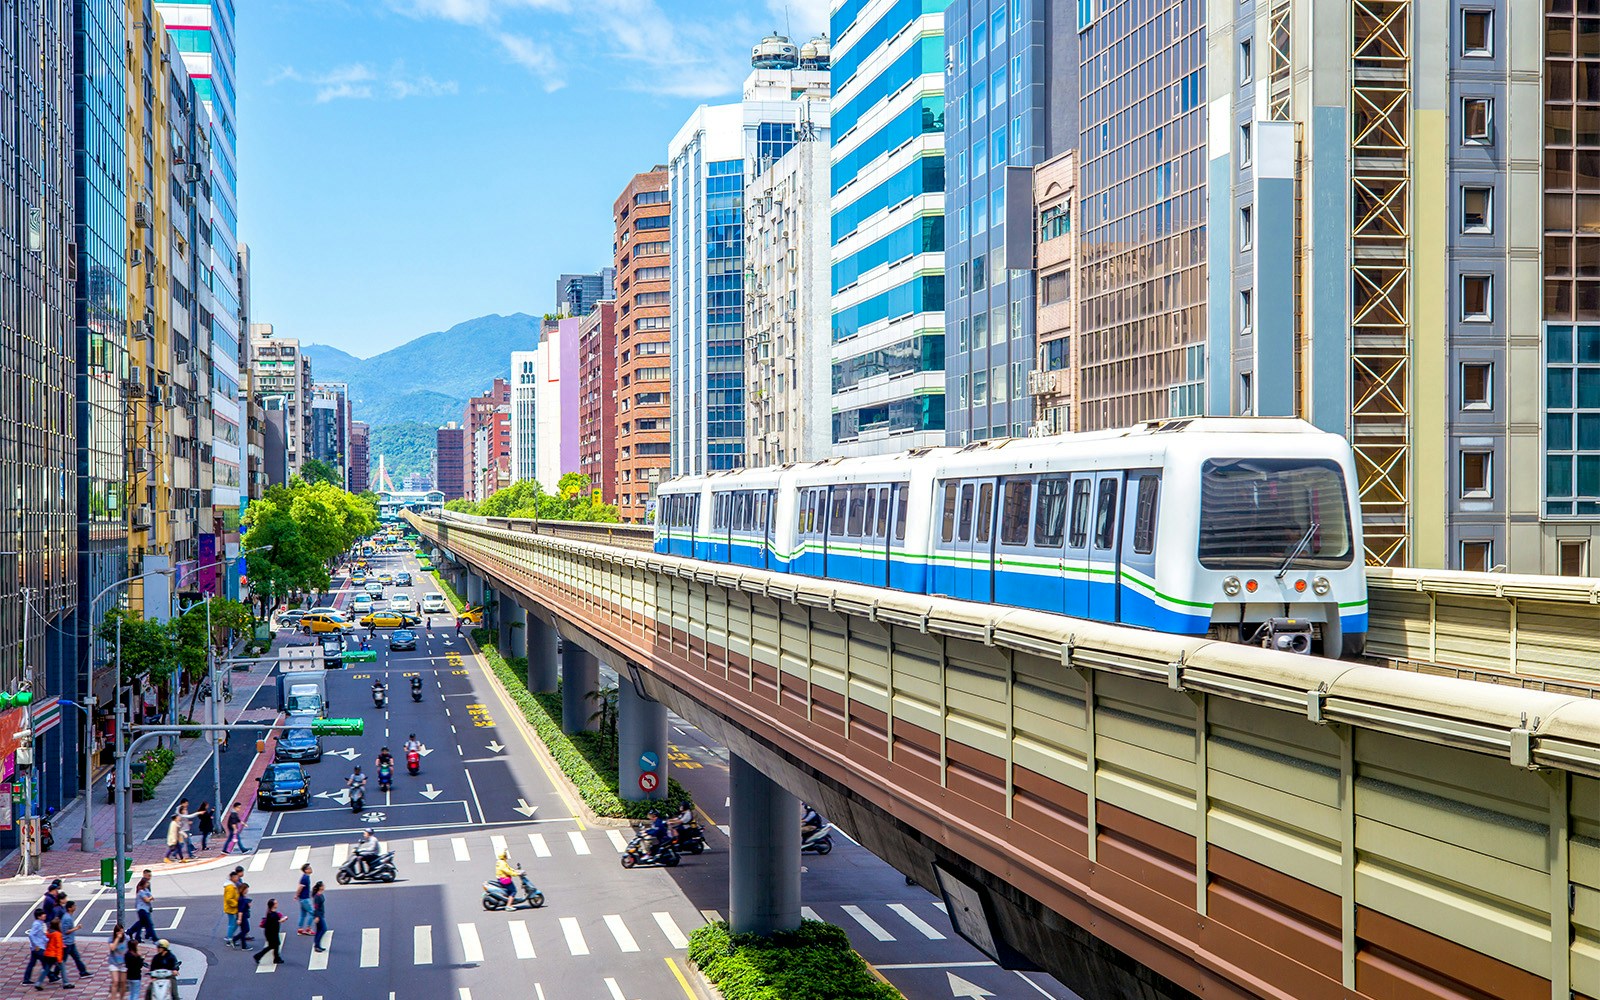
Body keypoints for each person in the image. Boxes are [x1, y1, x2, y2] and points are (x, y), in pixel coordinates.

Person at [60, 901, 90, 981]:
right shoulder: (67, 918)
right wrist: (77, 928)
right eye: (73, 906)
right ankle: (54, 975)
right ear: (69, 908)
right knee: (62, 960)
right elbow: (65, 931)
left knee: (76, 957)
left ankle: (83, 971)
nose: (75, 907)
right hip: (67, 943)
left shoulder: (68, 916)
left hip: (70, 942)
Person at [254, 901, 285, 966]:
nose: (277, 904)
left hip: (272, 932)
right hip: (271, 933)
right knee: (273, 945)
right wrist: (281, 920)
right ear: (273, 905)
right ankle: (258, 956)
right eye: (276, 903)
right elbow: (274, 923)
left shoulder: (271, 913)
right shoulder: (272, 914)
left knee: (276, 944)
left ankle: (276, 958)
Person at [22, 908, 47, 986]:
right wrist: (36, 945)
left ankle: (26, 979)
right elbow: (31, 935)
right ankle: (52, 977)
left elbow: (41, 935)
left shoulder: (40, 923)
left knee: (32, 963)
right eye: (43, 914)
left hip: (36, 947)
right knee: (46, 963)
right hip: (38, 948)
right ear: (39, 916)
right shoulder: (37, 924)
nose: (45, 915)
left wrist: (47, 940)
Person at [42, 917, 68, 990]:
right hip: (54, 955)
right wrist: (59, 959)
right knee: (62, 968)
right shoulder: (57, 934)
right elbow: (59, 947)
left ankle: (39, 982)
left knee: (46, 969)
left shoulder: (49, 933)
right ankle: (66, 983)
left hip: (48, 954)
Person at [132, 874, 158, 943]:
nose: (147, 884)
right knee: (149, 924)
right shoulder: (141, 892)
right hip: (142, 910)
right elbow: (147, 900)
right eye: (146, 883)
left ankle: (133, 934)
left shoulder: (146, 890)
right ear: (143, 884)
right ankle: (155, 938)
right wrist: (150, 898)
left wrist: (150, 898)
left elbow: (151, 897)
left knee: (140, 924)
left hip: (146, 909)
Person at [105, 926, 127, 1000]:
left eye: (122, 931)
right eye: (119, 932)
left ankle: (121, 998)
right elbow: (112, 948)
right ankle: (113, 998)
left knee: (123, 982)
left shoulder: (126, 938)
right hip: (114, 962)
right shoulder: (111, 939)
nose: (120, 934)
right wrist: (117, 938)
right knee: (115, 981)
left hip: (124, 963)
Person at [222, 869, 242, 944]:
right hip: (231, 909)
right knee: (232, 924)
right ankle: (230, 938)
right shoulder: (230, 887)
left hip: (232, 908)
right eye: (236, 877)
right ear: (232, 878)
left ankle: (230, 936)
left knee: (234, 923)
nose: (237, 879)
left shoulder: (232, 886)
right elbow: (229, 899)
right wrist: (237, 904)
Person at [232, 883, 253, 950]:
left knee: (244, 930)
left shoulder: (243, 897)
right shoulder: (241, 899)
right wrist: (240, 919)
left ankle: (237, 941)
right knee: (245, 930)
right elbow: (240, 910)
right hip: (242, 916)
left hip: (243, 915)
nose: (247, 890)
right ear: (243, 890)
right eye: (246, 889)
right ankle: (237, 941)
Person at [296, 863, 314, 935]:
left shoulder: (305, 877)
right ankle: (308, 929)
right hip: (305, 898)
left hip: (302, 898)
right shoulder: (305, 878)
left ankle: (300, 929)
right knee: (312, 913)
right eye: (309, 868)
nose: (311, 869)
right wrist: (297, 895)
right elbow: (300, 887)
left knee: (303, 914)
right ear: (306, 870)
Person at [311, 882, 328, 953]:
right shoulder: (317, 896)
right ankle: (316, 944)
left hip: (320, 914)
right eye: (323, 885)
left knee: (319, 930)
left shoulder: (320, 894)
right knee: (324, 929)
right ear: (320, 887)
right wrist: (317, 916)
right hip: (319, 915)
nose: (324, 886)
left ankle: (317, 945)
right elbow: (316, 907)